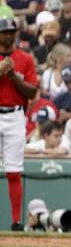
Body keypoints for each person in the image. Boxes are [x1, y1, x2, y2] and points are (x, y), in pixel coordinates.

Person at [0, 16, 38, 230]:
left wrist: (12, 75)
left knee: (14, 170)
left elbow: (32, 91)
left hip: (15, 114)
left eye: (10, 31)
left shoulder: (24, 58)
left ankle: (15, 222)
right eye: (3, 31)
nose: (7, 35)